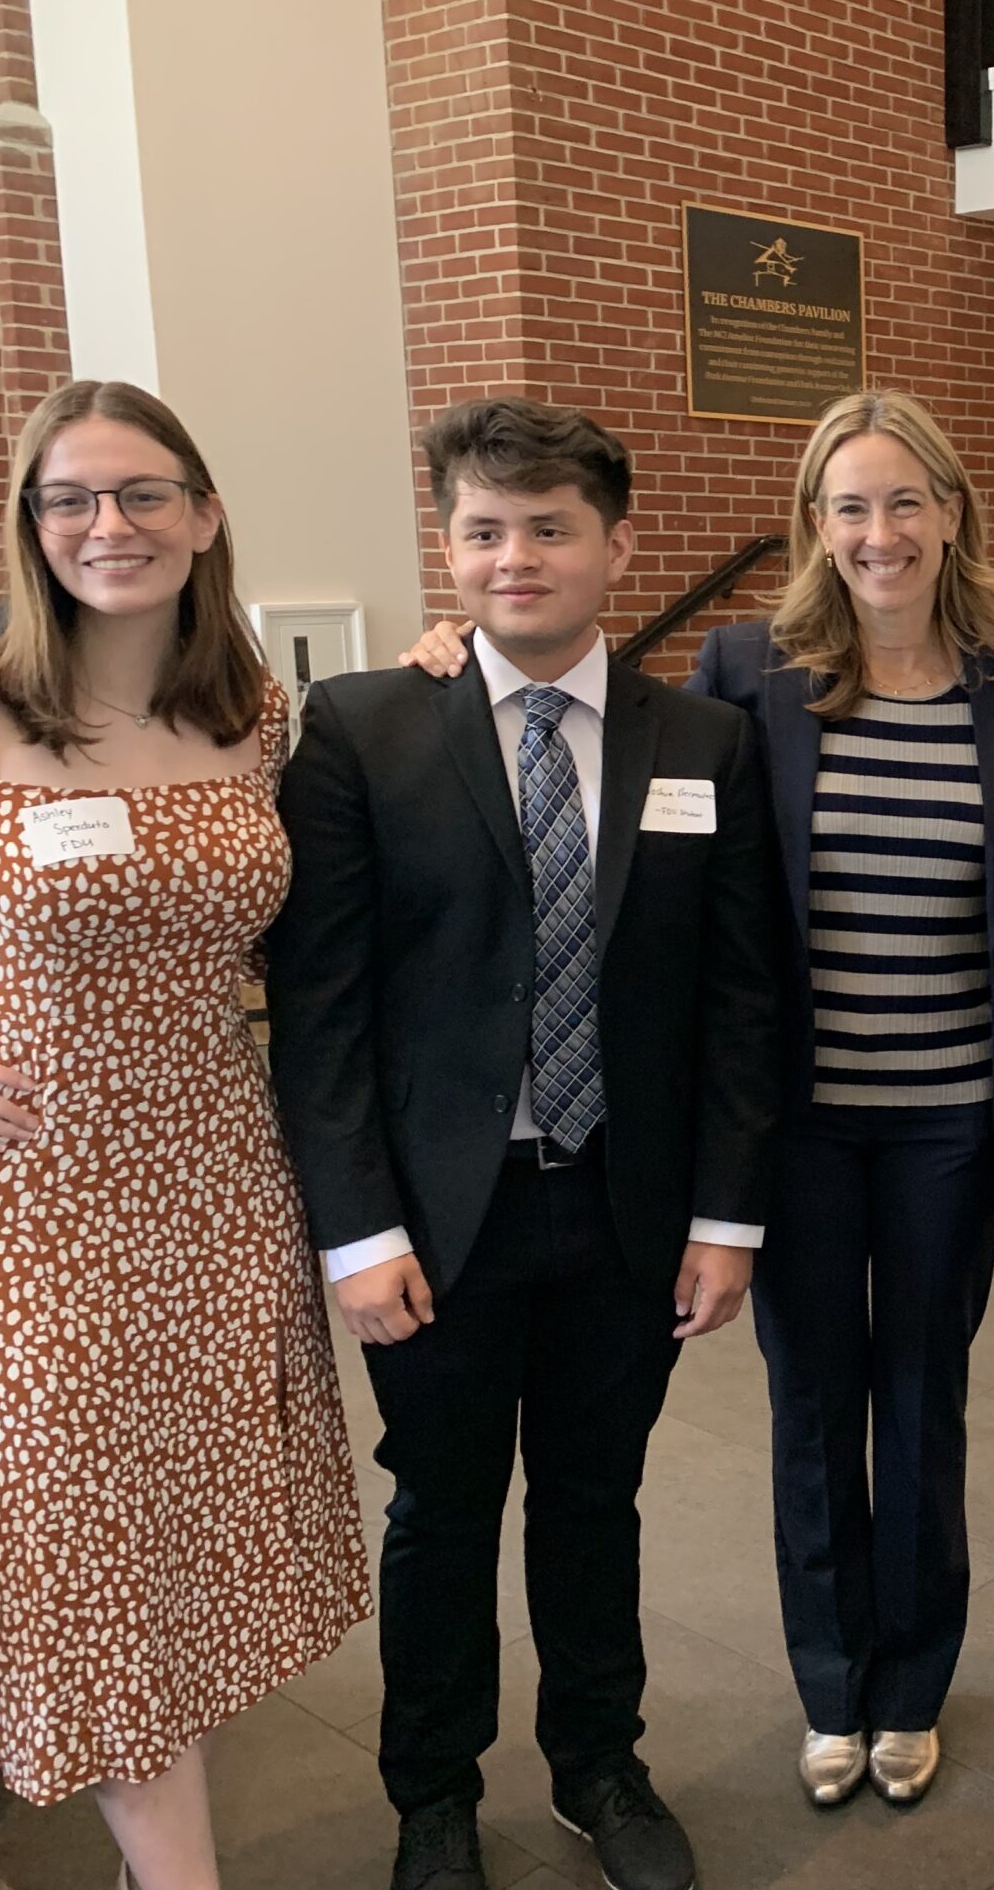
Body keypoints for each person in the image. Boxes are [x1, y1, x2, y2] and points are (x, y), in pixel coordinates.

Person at [405, 385, 994, 1807]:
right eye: (848, 505)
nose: (878, 532)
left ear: (953, 510)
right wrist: (452, 668)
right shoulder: (751, 670)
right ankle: (833, 1686)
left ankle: (914, 1682)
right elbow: (624, 774)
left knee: (927, 1396)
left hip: (957, 1122)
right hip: (799, 1127)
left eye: (905, 500)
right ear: (813, 527)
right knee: (814, 1401)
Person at [0, 379, 367, 1890]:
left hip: (213, 1187)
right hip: (28, 1211)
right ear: (30, 528)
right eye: (67, 499)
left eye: (142, 493)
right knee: (83, 1565)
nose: (106, 526)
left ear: (203, 517)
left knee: (182, 1561)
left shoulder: (253, 717)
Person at [266, 397, 780, 1890]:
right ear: (448, 546)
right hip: (439, 1220)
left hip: (625, 1208)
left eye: (550, 527)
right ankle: (432, 1792)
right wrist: (356, 1233)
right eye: (484, 530)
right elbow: (325, 1009)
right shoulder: (365, 729)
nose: (516, 557)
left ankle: (599, 1767)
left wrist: (727, 1220)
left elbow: (744, 1003)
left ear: (617, 546)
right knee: (439, 1509)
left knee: (595, 1500)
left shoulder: (708, 745)